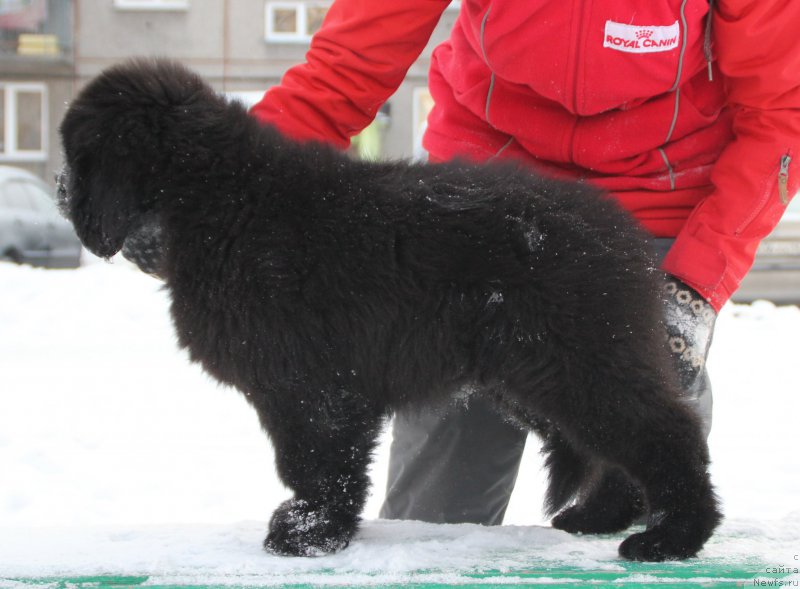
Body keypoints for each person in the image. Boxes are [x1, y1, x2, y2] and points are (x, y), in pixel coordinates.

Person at [135, 0, 800, 527]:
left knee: (648, 466)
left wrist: (695, 285)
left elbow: (779, 112)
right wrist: (214, 195)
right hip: (475, 218)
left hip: (651, 209)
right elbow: (344, 70)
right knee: (432, 507)